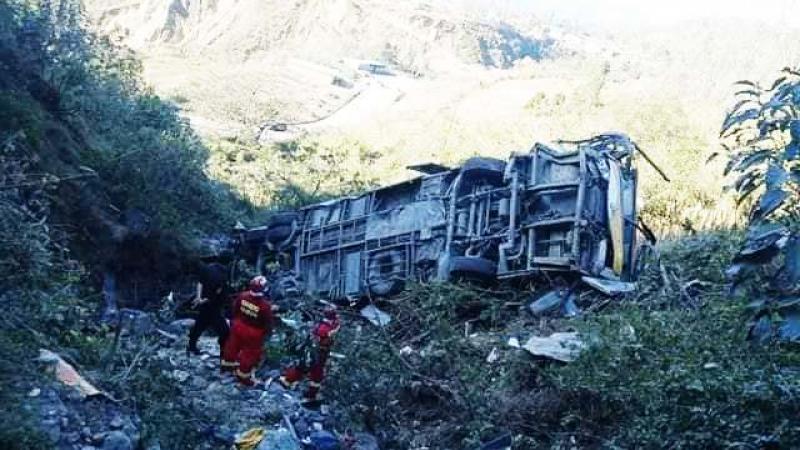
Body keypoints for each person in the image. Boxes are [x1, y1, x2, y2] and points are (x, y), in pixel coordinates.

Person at [278, 305, 340, 404]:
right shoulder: (325, 328)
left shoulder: (321, 324)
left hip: (312, 350)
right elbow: (332, 333)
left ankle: (287, 380)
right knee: (316, 374)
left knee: (302, 367)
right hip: (319, 353)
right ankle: (310, 395)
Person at [221, 276, 274, 386]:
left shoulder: (242, 296)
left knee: (232, 346)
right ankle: (243, 377)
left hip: (238, 326)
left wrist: (234, 322)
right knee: (250, 354)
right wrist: (267, 334)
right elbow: (268, 324)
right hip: (253, 333)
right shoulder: (265, 306)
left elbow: (234, 309)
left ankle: (227, 367)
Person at [187, 262, 230, 356]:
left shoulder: (208, 268)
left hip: (205, 305)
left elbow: (200, 283)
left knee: (199, 325)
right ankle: (224, 352)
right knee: (224, 331)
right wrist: (202, 300)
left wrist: (199, 298)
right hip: (214, 306)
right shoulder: (223, 276)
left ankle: (191, 346)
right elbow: (214, 295)